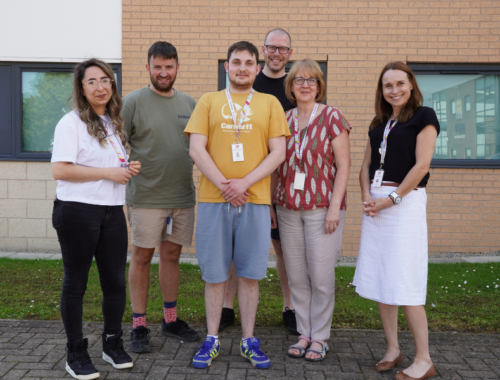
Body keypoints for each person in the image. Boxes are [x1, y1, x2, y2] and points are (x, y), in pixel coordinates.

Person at [185, 41, 290, 369]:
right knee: (215, 274)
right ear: (226, 67)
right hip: (214, 201)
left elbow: (278, 152)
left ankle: (248, 340)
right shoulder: (209, 101)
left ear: (257, 69)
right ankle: (212, 339)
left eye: (249, 63)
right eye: (236, 62)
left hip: (255, 202)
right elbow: (196, 149)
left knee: (249, 275)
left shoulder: (270, 103)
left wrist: (243, 184)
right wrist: (225, 185)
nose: (243, 68)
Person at [51, 58, 141, 379]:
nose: (100, 87)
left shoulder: (112, 123)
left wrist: (125, 169)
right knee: (76, 283)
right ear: (81, 87)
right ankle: (75, 352)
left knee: (115, 283)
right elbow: (60, 169)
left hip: (112, 212)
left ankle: (112, 344)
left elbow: (110, 168)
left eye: (105, 80)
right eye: (92, 82)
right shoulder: (71, 123)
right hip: (77, 211)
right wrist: (110, 172)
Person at [352, 61, 439, 380]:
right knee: (381, 277)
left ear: (412, 85)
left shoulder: (424, 116)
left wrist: (391, 200)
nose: (395, 90)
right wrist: (366, 196)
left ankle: (424, 359)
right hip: (376, 206)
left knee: (405, 280)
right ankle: (392, 348)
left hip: (403, 205)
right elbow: (365, 165)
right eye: (388, 85)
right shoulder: (379, 121)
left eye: (400, 84)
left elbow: (421, 166)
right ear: (382, 90)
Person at [219, 27, 298, 335]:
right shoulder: (250, 81)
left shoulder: (294, 86)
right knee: (238, 245)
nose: (277, 53)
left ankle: (289, 306)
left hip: (287, 177)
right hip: (246, 179)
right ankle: (227, 305)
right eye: (271, 48)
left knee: (282, 247)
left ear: (290, 53)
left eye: (283, 49)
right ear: (262, 52)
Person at [122, 41, 199, 353]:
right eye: (158, 67)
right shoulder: (134, 102)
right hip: (146, 197)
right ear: (148, 68)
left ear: (177, 67)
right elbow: (115, 144)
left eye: (169, 67)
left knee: (171, 257)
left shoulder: (190, 104)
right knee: (141, 257)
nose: (163, 72)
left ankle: (170, 320)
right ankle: (139, 325)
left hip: (181, 196)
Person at [274, 59, 352, 361]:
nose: (305, 85)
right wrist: (270, 203)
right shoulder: (284, 118)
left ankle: (320, 337)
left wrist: (335, 207)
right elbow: (276, 166)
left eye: (311, 80)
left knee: (320, 277)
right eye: (298, 80)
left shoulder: (332, 116)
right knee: (296, 277)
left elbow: (343, 164)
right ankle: (304, 333)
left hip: (323, 209)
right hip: (288, 208)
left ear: (319, 87)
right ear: (290, 86)